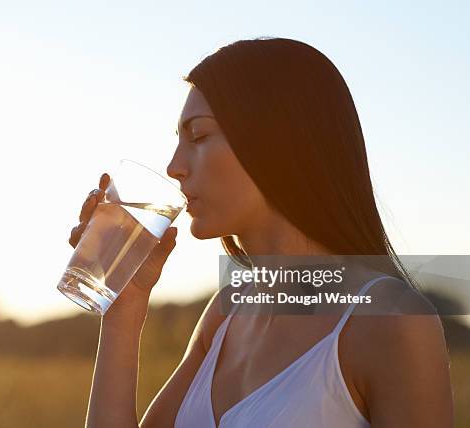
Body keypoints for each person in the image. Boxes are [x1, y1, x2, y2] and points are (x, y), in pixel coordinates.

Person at [69, 38, 454, 427]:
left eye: (199, 136)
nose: (174, 166)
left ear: (278, 141)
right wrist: (124, 308)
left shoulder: (392, 322)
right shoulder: (224, 315)